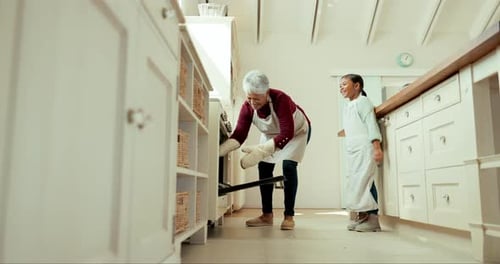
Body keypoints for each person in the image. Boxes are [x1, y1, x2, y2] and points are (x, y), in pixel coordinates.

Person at [219, 70, 311, 230]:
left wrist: (262, 151)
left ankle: (289, 216)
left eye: (256, 98)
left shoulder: (281, 99)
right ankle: (267, 215)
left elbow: (287, 132)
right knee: (264, 167)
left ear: (266, 93)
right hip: (271, 135)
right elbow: (239, 135)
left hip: (296, 133)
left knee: (289, 167)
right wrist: (219, 151)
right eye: (249, 97)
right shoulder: (247, 107)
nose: (252, 102)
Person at [338, 73, 383, 232]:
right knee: (356, 183)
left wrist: (377, 148)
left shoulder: (363, 102)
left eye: (344, 84)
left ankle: (373, 219)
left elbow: (371, 125)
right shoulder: (348, 105)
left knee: (366, 181)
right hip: (353, 150)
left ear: (357, 86)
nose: (341, 87)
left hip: (364, 148)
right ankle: (364, 217)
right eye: (340, 85)